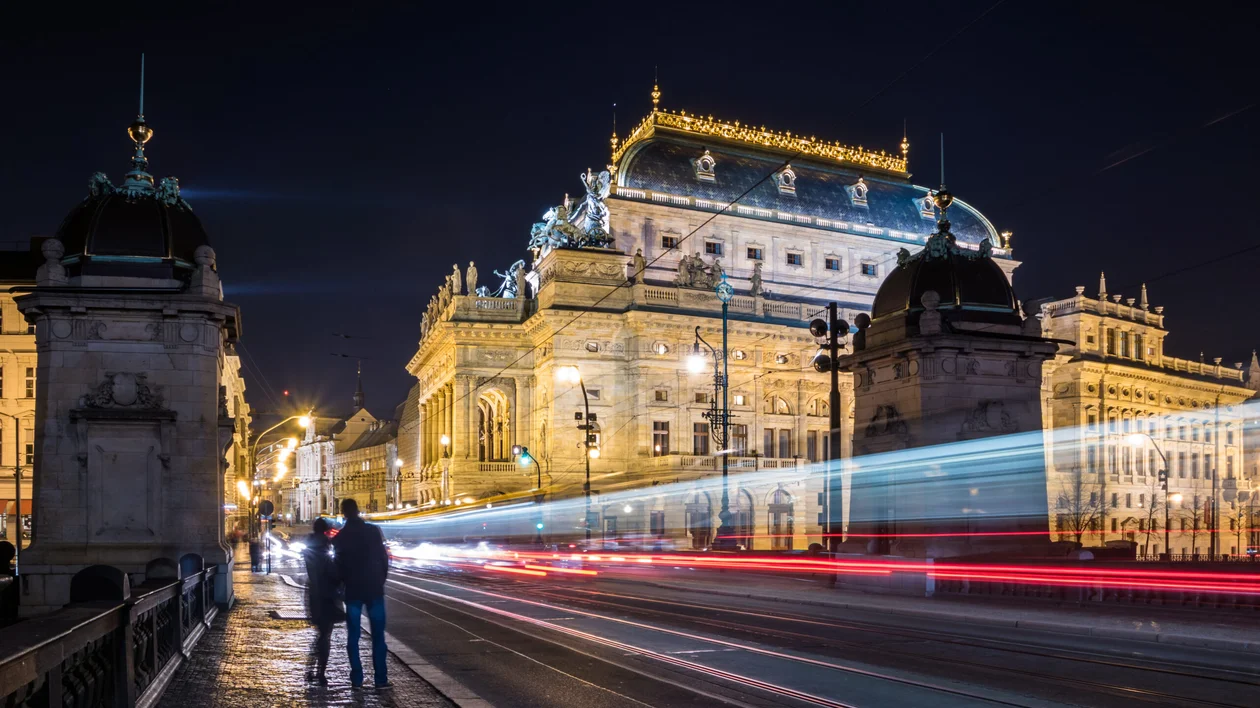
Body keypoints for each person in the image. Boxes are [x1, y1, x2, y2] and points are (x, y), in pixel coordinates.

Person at [331, 498, 390, 689]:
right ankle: (380, 680)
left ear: (343, 513)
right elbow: (384, 559)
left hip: (353, 591)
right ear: (358, 510)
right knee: (378, 637)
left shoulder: (340, 538)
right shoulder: (373, 531)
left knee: (353, 636)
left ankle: (357, 679)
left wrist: (342, 586)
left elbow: (337, 568)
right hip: (374, 589)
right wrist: (379, 581)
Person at [303, 518, 343, 684]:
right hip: (327, 596)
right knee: (325, 635)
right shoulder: (325, 548)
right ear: (326, 531)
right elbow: (333, 573)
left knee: (321, 633)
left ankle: (311, 669)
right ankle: (320, 673)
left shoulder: (309, 547)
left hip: (314, 595)